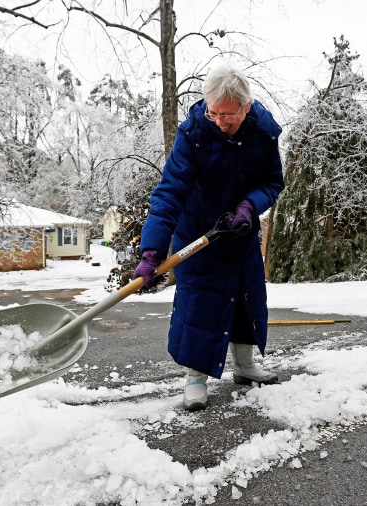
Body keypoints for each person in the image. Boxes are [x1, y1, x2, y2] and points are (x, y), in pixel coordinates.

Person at [133, 62, 284, 410]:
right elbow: (169, 192)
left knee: (246, 301)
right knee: (199, 304)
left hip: (240, 233)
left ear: (247, 108)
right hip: (197, 235)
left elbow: (272, 183)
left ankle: (245, 367)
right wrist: (152, 250)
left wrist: (250, 205)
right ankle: (195, 378)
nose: (219, 121)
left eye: (228, 114)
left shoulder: (263, 133)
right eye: (213, 112)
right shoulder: (193, 135)